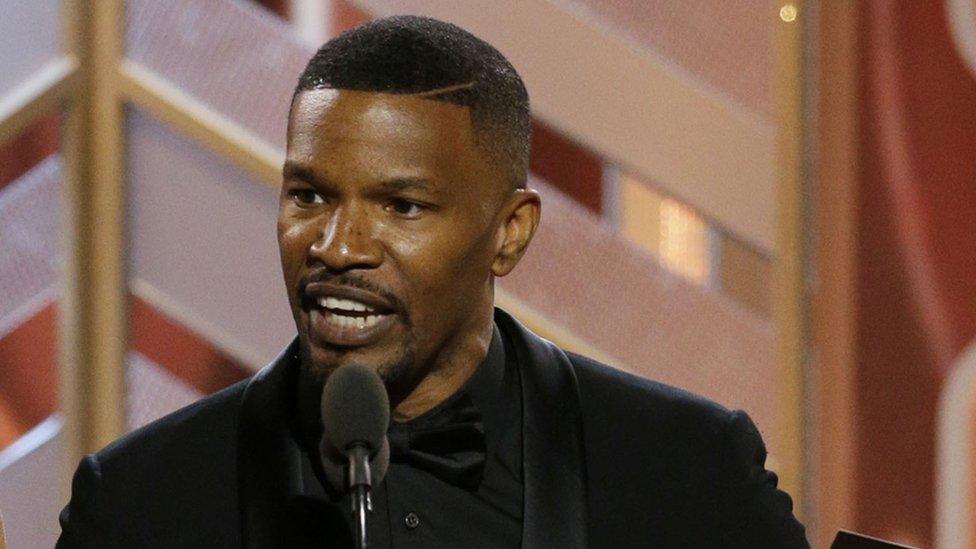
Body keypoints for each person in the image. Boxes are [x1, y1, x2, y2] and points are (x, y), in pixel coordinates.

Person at [56, 15, 808, 548]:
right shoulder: (139, 504)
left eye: (401, 204)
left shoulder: (686, 473)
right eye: (309, 194)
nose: (337, 245)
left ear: (509, 234)